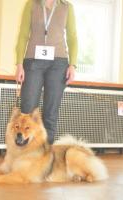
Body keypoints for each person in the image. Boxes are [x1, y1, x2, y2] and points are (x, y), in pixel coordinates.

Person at [15, 0, 78, 144]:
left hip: (59, 63)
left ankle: (46, 154)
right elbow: (23, 35)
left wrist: (72, 65)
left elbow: (72, 37)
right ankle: (26, 153)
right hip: (33, 61)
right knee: (28, 109)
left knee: (51, 112)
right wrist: (19, 64)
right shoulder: (32, 4)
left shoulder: (67, 7)